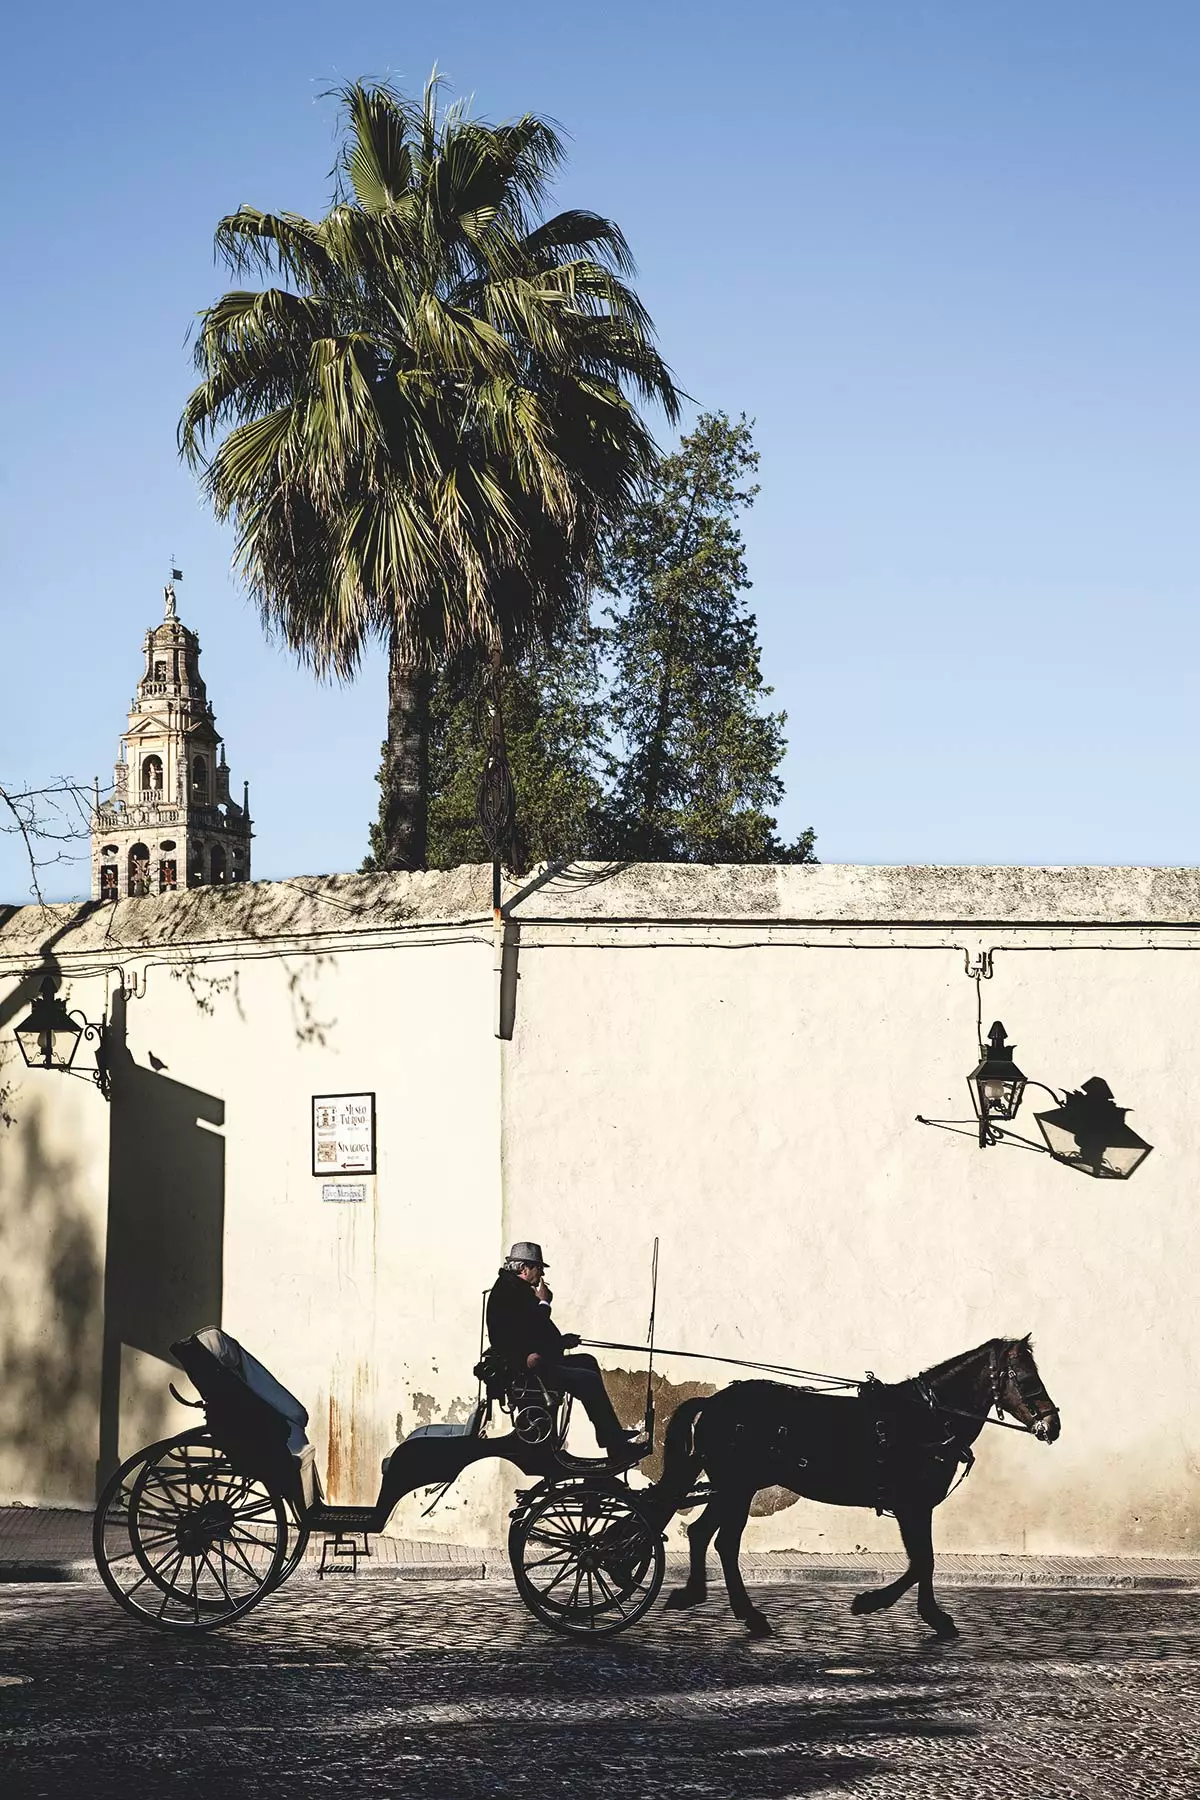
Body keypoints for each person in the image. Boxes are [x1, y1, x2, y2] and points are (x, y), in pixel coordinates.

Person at [486, 1242, 645, 1458]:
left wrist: (562, 1342)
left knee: (587, 1361)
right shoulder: (511, 1292)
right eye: (538, 1268)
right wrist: (544, 1303)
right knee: (586, 1379)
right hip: (526, 1371)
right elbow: (531, 1330)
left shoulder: (515, 1288)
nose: (541, 1273)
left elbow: (531, 1334)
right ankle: (614, 1442)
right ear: (524, 1269)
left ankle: (610, 1438)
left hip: (535, 1361)